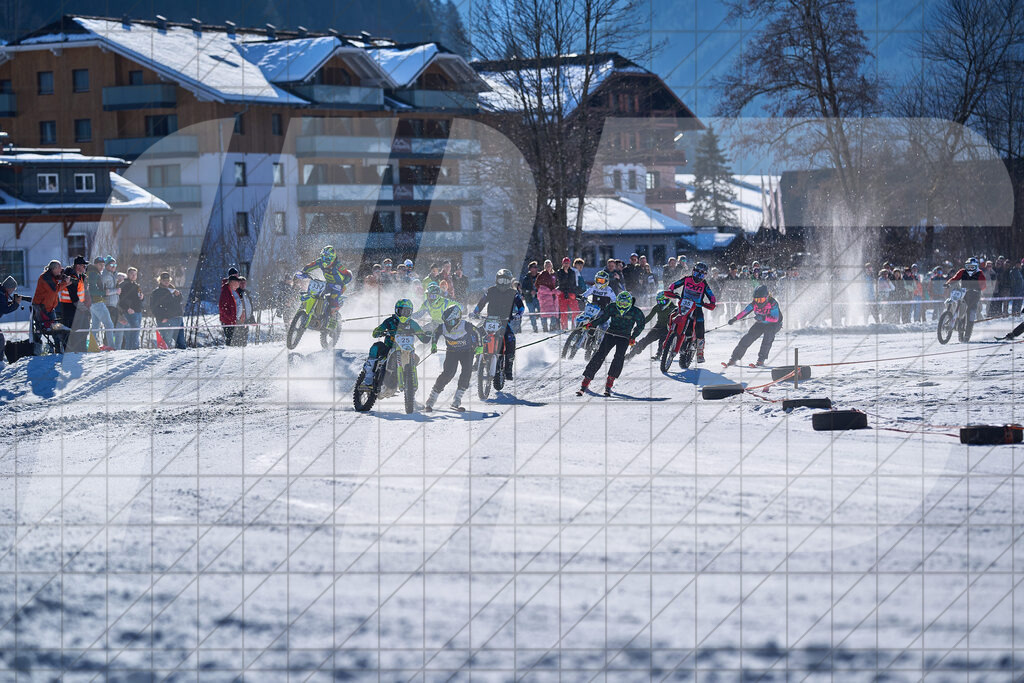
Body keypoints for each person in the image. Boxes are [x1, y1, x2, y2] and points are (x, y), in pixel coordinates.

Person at [575, 290, 646, 396]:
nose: (622, 305)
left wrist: (633, 336)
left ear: (629, 303)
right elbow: (603, 318)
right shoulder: (612, 307)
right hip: (611, 333)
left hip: (624, 337)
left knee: (619, 357)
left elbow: (641, 325)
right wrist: (591, 324)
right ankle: (587, 379)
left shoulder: (636, 311)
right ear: (617, 301)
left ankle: (610, 380)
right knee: (600, 354)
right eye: (620, 303)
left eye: (625, 303)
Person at [357, 298, 431, 393]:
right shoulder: (390, 321)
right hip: (389, 347)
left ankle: (408, 383)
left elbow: (422, 337)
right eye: (401, 311)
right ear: (396, 311)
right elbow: (377, 331)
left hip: (406, 350)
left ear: (410, 312)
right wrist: (378, 331)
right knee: (375, 347)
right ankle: (368, 379)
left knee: (416, 358)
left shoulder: (413, 324)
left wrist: (427, 336)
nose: (403, 314)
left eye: (406, 311)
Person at [424, 304, 482, 412]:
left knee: (466, 373)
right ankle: (431, 400)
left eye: (450, 322)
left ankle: (457, 400)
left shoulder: (466, 325)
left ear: (458, 319)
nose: (448, 325)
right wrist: (434, 345)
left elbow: (477, 332)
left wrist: (480, 346)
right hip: (452, 351)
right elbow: (436, 334)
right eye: (446, 322)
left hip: (467, 352)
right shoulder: (443, 326)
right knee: (448, 373)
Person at [472, 268, 525, 380]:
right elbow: (482, 302)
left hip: (505, 321)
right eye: (501, 281)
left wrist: (519, 314)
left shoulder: (513, 293)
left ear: (510, 282)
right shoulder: (491, 290)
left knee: (510, 338)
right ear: (497, 280)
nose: (503, 283)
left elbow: (521, 306)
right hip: (490, 320)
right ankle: (478, 359)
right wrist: (476, 312)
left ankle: (508, 369)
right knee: (477, 334)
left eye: (506, 281)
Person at [666, 262, 717, 363]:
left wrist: (711, 303)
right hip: (684, 305)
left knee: (700, 324)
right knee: (671, 315)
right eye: (697, 273)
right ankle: (670, 334)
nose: (698, 276)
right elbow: (674, 285)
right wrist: (671, 291)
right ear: (693, 271)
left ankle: (700, 352)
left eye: (701, 274)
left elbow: (712, 296)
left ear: (705, 275)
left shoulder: (704, 285)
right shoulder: (686, 279)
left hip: (696, 308)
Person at [723, 285, 783, 367]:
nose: (758, 302)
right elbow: (744, 312)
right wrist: (734, 319)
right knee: (748, 337)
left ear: (766, 297)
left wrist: (763, 317)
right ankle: (734, 358)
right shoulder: (754, 304)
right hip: (761, 322)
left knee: (768, 336)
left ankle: (761, 360)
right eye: (756, 299)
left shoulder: (773, 303)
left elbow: (775, 318)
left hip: (774, 324)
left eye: (761, 299)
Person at [295, 245, 353, 330]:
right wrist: (303, 272)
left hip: (339, 286)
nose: (325, 260)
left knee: (333, 298)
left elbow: (348, 275)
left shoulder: (338, 266)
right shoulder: (320, 262)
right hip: (328, 284)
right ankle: (313, 313)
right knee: (315, 293)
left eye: (328, 258)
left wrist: (343, 282)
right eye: (323, 257)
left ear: (333, 258)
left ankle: (333, 319)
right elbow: (310, 266)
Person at [626, 290, 676, 361]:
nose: (660, 304)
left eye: (663, 302)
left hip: (668, 329)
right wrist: (640, 324)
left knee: (663, 340)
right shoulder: (657, 307)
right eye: (659, 302)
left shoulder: (674, 308)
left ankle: (658, 354)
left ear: (668, 300)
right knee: (646, 339)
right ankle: (631, 354)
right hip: (658, 327)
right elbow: (649, 317)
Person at [31, 260, 70, 351]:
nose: (61, 269)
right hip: (40, 308)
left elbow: (57, 280)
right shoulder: (45, 277)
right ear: (54, 268)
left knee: (55, 329)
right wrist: (65, 283)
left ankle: (57, 349)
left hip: (50, 307)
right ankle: (35, 349)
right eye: (59, 268)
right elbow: (54, 289)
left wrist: (63, 277)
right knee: (40, 330)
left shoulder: (52, 276)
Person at [59, 255, 90, 352]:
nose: (85, 268)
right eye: (83, 266)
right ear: (78, 266)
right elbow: (74, 297)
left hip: (77, 308)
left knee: (84, 328)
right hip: (69, 309)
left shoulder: (80, 277)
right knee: (72, 331)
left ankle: (81, 349)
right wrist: (84, 309)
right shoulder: (71, 278)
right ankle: (73, 351)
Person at [945, 257, 986, 327]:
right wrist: (948, 283)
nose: (970, 268)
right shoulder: (962, 271)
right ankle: (951, 317)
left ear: (976, 267)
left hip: (974, 294)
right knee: (949, 302)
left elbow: (983, 284)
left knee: (973, 308)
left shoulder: (979, 273)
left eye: (972, 267)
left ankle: (971, 323)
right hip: (963, 292)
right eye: (968, 266)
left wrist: (979, 288)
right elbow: (955, 278)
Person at [151, 271, 187, 349]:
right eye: (164, 280)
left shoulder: (173, 290)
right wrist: (161, 317)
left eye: (168, 280)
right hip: (167, 320)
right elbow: (154, 307)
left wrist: (178, 296)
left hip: (178, 318)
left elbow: (178, 302)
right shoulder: (156, 292)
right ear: (160, 281)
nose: (166, 282)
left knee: (181, 343)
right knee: (166, 343)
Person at [87, 256, 115, 349]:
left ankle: (92, 346)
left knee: (95, 325)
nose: (102, 267)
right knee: (109, 324)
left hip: (93, 303)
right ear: (95, 264)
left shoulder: (92, 273)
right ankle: (111, 346)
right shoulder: (93, 274)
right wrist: (104, 293)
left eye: (103, 265)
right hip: (97, 302)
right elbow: (92, 290)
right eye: (100, 265)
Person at [119, 267, 144, 350]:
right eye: (131, 274)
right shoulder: (124, 285)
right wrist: (127, 309)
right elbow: (121, 299)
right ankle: (133, 349)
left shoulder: (137, 285)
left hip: (138, 311)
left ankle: (132, 348)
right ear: (128, 275)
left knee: (136, 331)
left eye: (135, 274)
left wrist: (142, 297)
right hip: (129, 312)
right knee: (132, 332)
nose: (133, 276)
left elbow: (138, 298)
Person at [101, 256, 123, 349]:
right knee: (109, 327)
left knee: (112, 326)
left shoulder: (113, 275)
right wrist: (116, 291)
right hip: (107, 305)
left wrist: (119, 283)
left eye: (115, 264)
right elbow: (103, 291)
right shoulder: (105, 276)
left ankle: (109, 345)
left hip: (114, 305)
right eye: (111, 264)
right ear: (106, 266)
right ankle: (107, 345)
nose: (114, 266)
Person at [0, 275, 23, 361]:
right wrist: (16, 304)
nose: (13, 291)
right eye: (14, 288)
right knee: (0, 340)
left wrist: (12, 302)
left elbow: (3, 305)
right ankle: (0, 361)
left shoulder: (2, 293)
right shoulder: (1, 295)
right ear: (9, 288)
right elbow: (5, 309)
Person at [556, 257, 582, 330]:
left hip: (571, 293)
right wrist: (565, 274)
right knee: (563, 312)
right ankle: (564, 328)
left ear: (569, 263)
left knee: (575, 310)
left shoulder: (572, 272)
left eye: (567, 263)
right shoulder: (559, 272)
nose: (566, 264)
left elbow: (572, 283)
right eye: (565, 263)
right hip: (562, 293)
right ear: (562, 263)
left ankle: (574, 326)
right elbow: (561, 283)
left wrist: (574, 293)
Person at [219, 273, 244, 345]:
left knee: (236, 341)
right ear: (232, 282)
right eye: (237, 282)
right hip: (229, 321)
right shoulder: (226, 291)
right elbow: (223, 308)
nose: (239, 284)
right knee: (230, 341)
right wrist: (231, 318)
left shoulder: (234, 291)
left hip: (235, 320)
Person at [535, 259, 559, 332]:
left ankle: (552, 327)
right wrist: (544, 291)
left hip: (552, 297)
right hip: (544, 297)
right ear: (544, 266)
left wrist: (554, 291)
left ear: (551, 266)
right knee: (544, 313)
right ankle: (545, 328)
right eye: (546, 265)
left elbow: (556, 284)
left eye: (549, 265)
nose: (548, 267)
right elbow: (537, 284)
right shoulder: (541, 274)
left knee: (553, 312)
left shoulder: (554, 274)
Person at [520, 261, 541, 332]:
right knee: (532, 313)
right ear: (530, 269)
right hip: (529, 299)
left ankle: (545, 327)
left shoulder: (540, 276)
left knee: (541, 312)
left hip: (539, 298)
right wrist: (529, 291)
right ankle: (535, 328)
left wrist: (538, 292)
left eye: (536, 267)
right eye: (534, 267)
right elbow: (523, 289)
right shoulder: (526, 278)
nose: (535, 269)